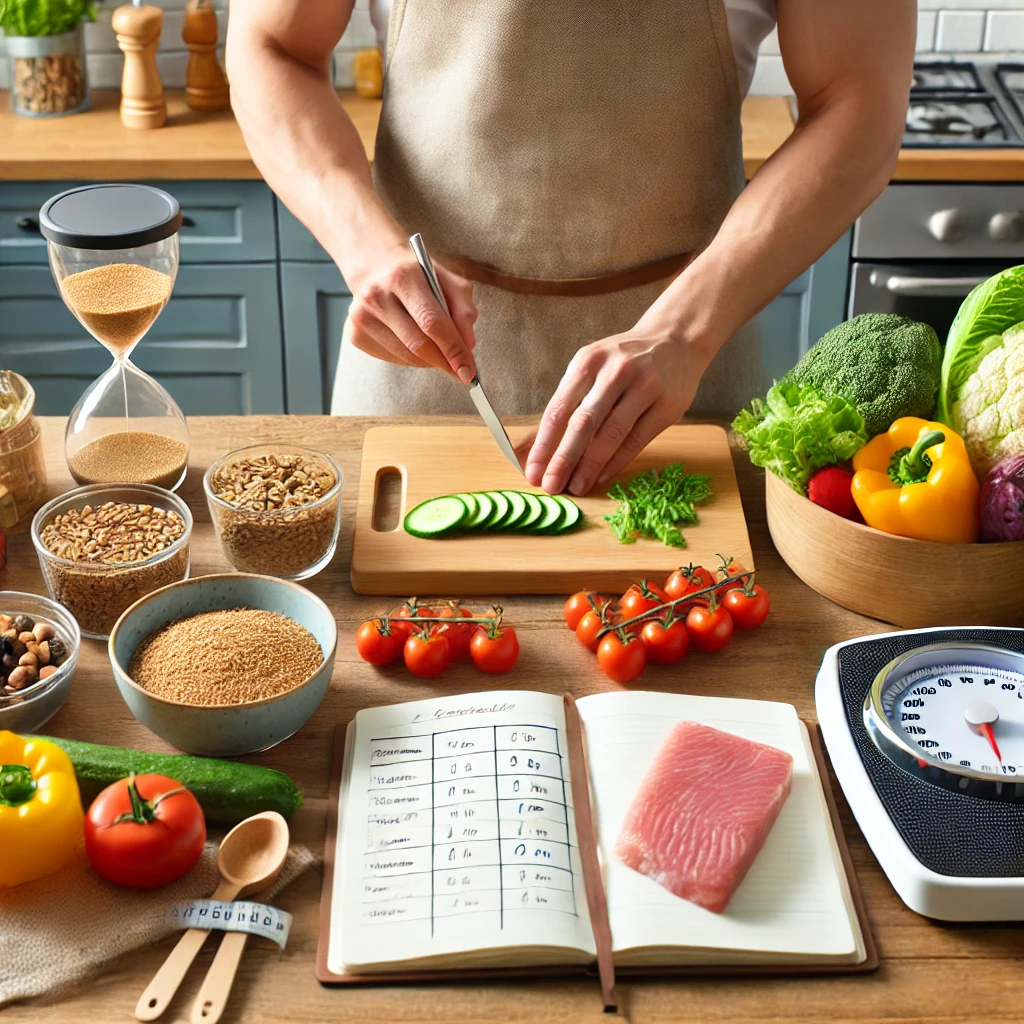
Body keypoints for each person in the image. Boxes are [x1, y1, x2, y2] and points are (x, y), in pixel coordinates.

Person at [227, 0, 914, 496]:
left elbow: (859, 100)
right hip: (421, 353)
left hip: (688, 363)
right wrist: (366, 247)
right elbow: (269, 45)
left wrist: (683, 331)